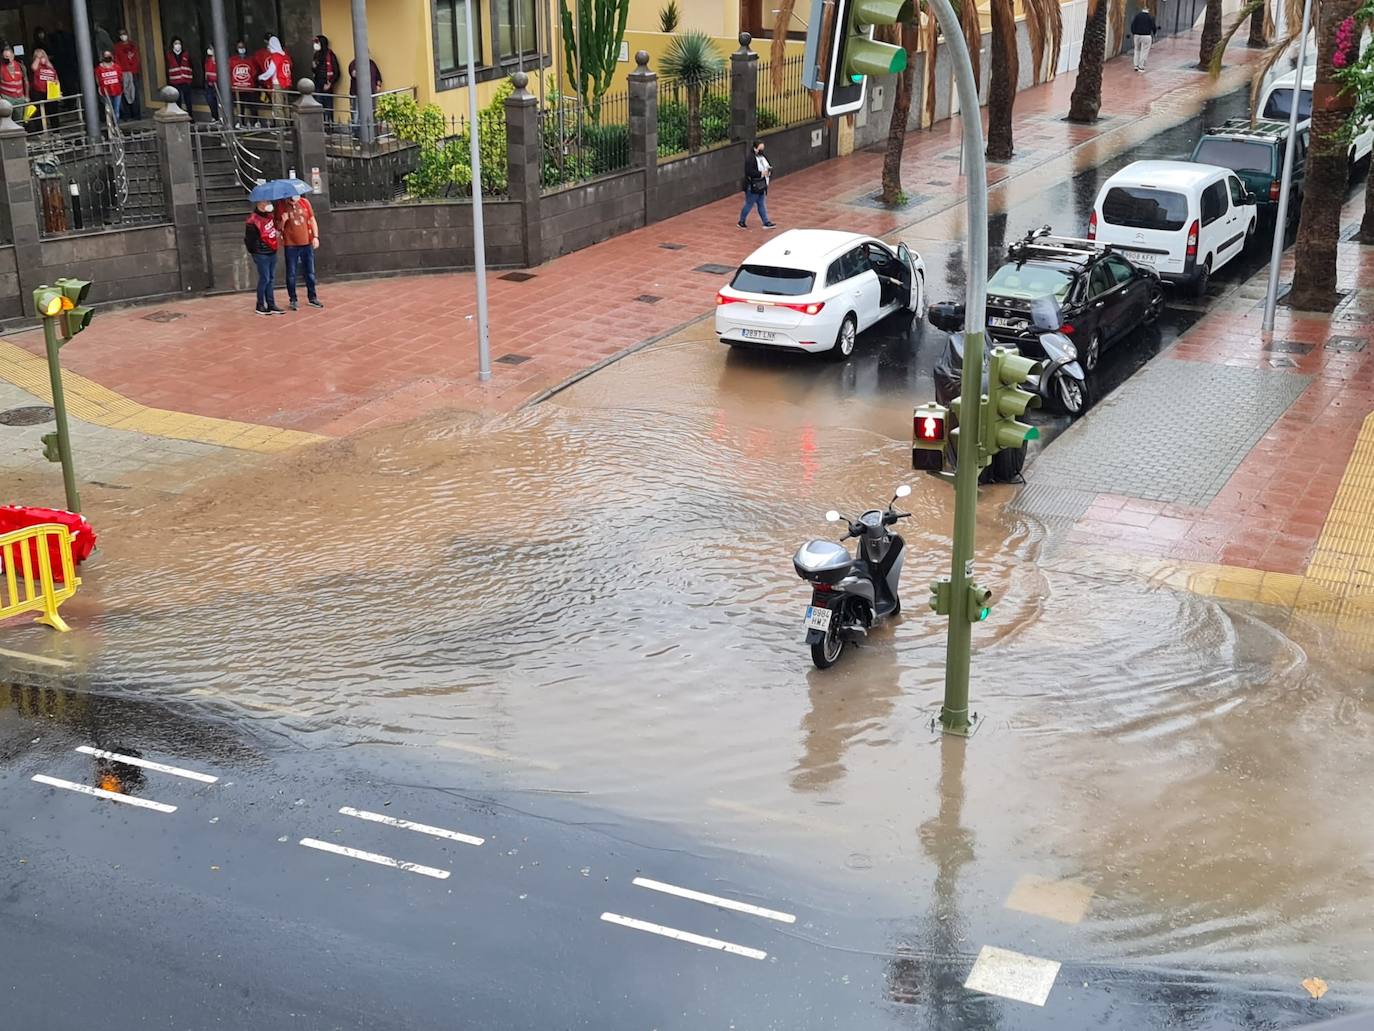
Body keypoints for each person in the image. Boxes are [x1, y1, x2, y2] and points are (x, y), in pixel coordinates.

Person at [274, 194, 323, 310]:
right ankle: (293, 299)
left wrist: (315, 236)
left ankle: (312, 297)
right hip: (291, 244)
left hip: (307, 242)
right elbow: (278, 227)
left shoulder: (304, 202)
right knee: (291, 273)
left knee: (310, 272)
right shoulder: (281, 205)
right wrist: (283, 220)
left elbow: (312, 219)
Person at [244, 199, 285, 316]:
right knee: (265, 278)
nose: (268, 204)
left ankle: (271, 304)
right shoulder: (252, 220)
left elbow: (275, 230)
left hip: (272, 250)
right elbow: (250, 240)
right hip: (261, 253)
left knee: (270, 278)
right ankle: (260, 304)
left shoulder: (269, 216)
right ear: (259, 204)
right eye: (266, 202)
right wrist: (256, 251)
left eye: (268, 202)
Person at [739, 140, 775, 229]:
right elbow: (749, 172)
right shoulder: (750, 158)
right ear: (755, 148)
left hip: (761, 184)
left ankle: (766, 222)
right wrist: (761, 173)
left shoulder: (762, 157)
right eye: (760, 148)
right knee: (749, 204)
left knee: (761, 203)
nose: (762, 150)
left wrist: (768, 171)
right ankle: (741, 221)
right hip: (752, 185)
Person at [257, 35, 288, 123]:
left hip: (277, 83)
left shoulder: (276, 56)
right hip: (285, 83)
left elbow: (270, 71)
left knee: (278, 105)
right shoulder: (284, 55)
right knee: (285, 105)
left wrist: (261, 77)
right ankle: (288, 124)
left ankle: (281, 126)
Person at [348, 55, 381, 128]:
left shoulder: (372, 63)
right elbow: (353, 74)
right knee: (356, 114)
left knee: (372, 112)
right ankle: (356, 131)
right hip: (356, 94)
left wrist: (378, 85)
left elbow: (378, 76)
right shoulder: (353, 64)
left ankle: (372, 129)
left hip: (371, 93)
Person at [311, 34, 339, 122]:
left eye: (317, 42)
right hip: (317, 84)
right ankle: (320, 124)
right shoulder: (316, 55)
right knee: (318, 105)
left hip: (327, 84)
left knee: (328, 107)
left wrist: (330, 83)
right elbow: (315, 70)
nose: (315, 44)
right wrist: (313, 67)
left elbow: (337, 72)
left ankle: (328, 125)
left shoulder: (330, 55)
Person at [114, 28, 140, 120]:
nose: (123, 36)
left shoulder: (133, 45)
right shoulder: (117, 47)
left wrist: (134, 70)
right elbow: (117, 60)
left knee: (134, 93)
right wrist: (120, 72)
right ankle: (127, 115)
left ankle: (136, 114)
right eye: (121, 34)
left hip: (133, 72)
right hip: (123, 73)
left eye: (124, 34)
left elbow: (136, 59)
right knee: (125, 93)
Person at [228, 40, 253, 126]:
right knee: (239, 105)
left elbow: (254, 72)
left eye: (242, 47)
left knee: (252, 105)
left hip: (249, 87)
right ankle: (241, 122)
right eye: (239, 47)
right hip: (237, 88)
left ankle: (255, 122)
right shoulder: (232, 60)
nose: (241, 49)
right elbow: (229, 72)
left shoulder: (250, 59)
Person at [165, 36, 192, 112]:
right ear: (172, 45)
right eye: (176, 43)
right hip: (175, 82)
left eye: (179, 43)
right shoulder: (169, 55)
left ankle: (190, 115)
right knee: (177, 100)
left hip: (186, 81)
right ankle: (179, 115)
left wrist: (190, 80)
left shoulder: (186, 54)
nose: (178, 45)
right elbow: (167, 68)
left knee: (188, 100)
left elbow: (190, 66)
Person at [96, 50, 122, 121]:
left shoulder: (117, 67)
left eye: (109, 55)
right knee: (109, 111)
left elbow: (120, 78)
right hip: (106, 92)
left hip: (117, 91)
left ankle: (116, 125)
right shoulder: (99, 69)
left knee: (116, 111)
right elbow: (98, 79)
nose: (107, 57)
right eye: (106, 55)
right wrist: (100, 88)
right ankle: (111, 125)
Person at [0, 45, 26, 112]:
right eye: (5, 57)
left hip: (20, 98)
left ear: (13, 56)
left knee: (19, 117)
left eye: (8, 57)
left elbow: (26, 81)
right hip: (6, 98)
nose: (7, 59)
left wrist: (27, 96)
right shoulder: (1, 68)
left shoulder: (20, 66)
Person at [1132, 5, 1158, 72]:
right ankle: (1141, 66)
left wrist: (1134, 33)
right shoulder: (1150, 17)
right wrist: (1154, 33)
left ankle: (1136, 65)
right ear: (1148, 10)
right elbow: (1153, 27)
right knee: (1144, 51)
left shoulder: (1137, 16)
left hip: (1137, 35)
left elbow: (1133, 25)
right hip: (1146, 35)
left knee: (1137, 50)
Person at [203, 45, 219, 123]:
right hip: (209, 84)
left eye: (211, 48)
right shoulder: (207, 60)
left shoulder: (219, 60)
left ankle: (220, 118)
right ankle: (214, 117)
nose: (209, 50)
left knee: (219, 102)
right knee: (211, 101)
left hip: (218, 84)